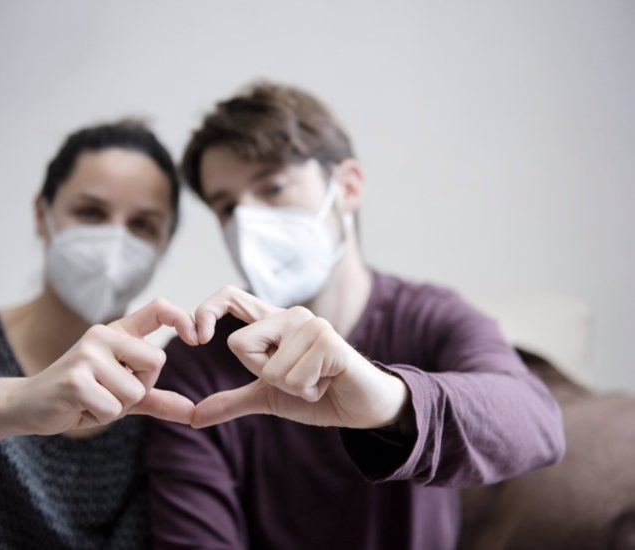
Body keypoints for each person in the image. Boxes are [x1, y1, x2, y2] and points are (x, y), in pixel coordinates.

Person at [146, 83, 567, 549]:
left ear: (347, 187)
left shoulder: (430, 317)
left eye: (273, 186)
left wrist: (391, 403)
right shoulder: (195, 364)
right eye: (227, 206)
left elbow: (538, 426)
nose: (249, 223)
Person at [0, 120, 199, 549]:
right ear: (42, 214)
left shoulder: (163, 398)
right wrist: (22, 399)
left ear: (164, 243)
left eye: (142, 225)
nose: (115, 241)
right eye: (91, 213)